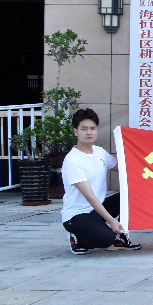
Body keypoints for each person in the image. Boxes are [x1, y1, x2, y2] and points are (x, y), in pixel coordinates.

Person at [62, 108, 141, 254]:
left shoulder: (99, 152)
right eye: (84, 129)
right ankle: (77, 236)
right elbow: (90, 197)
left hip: (96, 210)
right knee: (106, 239)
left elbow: (123, 168)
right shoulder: (73, 160)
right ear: (76, 132)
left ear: (97, 130)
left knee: (133, 195)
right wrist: (111, 221)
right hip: (77, 215)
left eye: (92, 128)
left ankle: (121, 234)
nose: (89, 132)